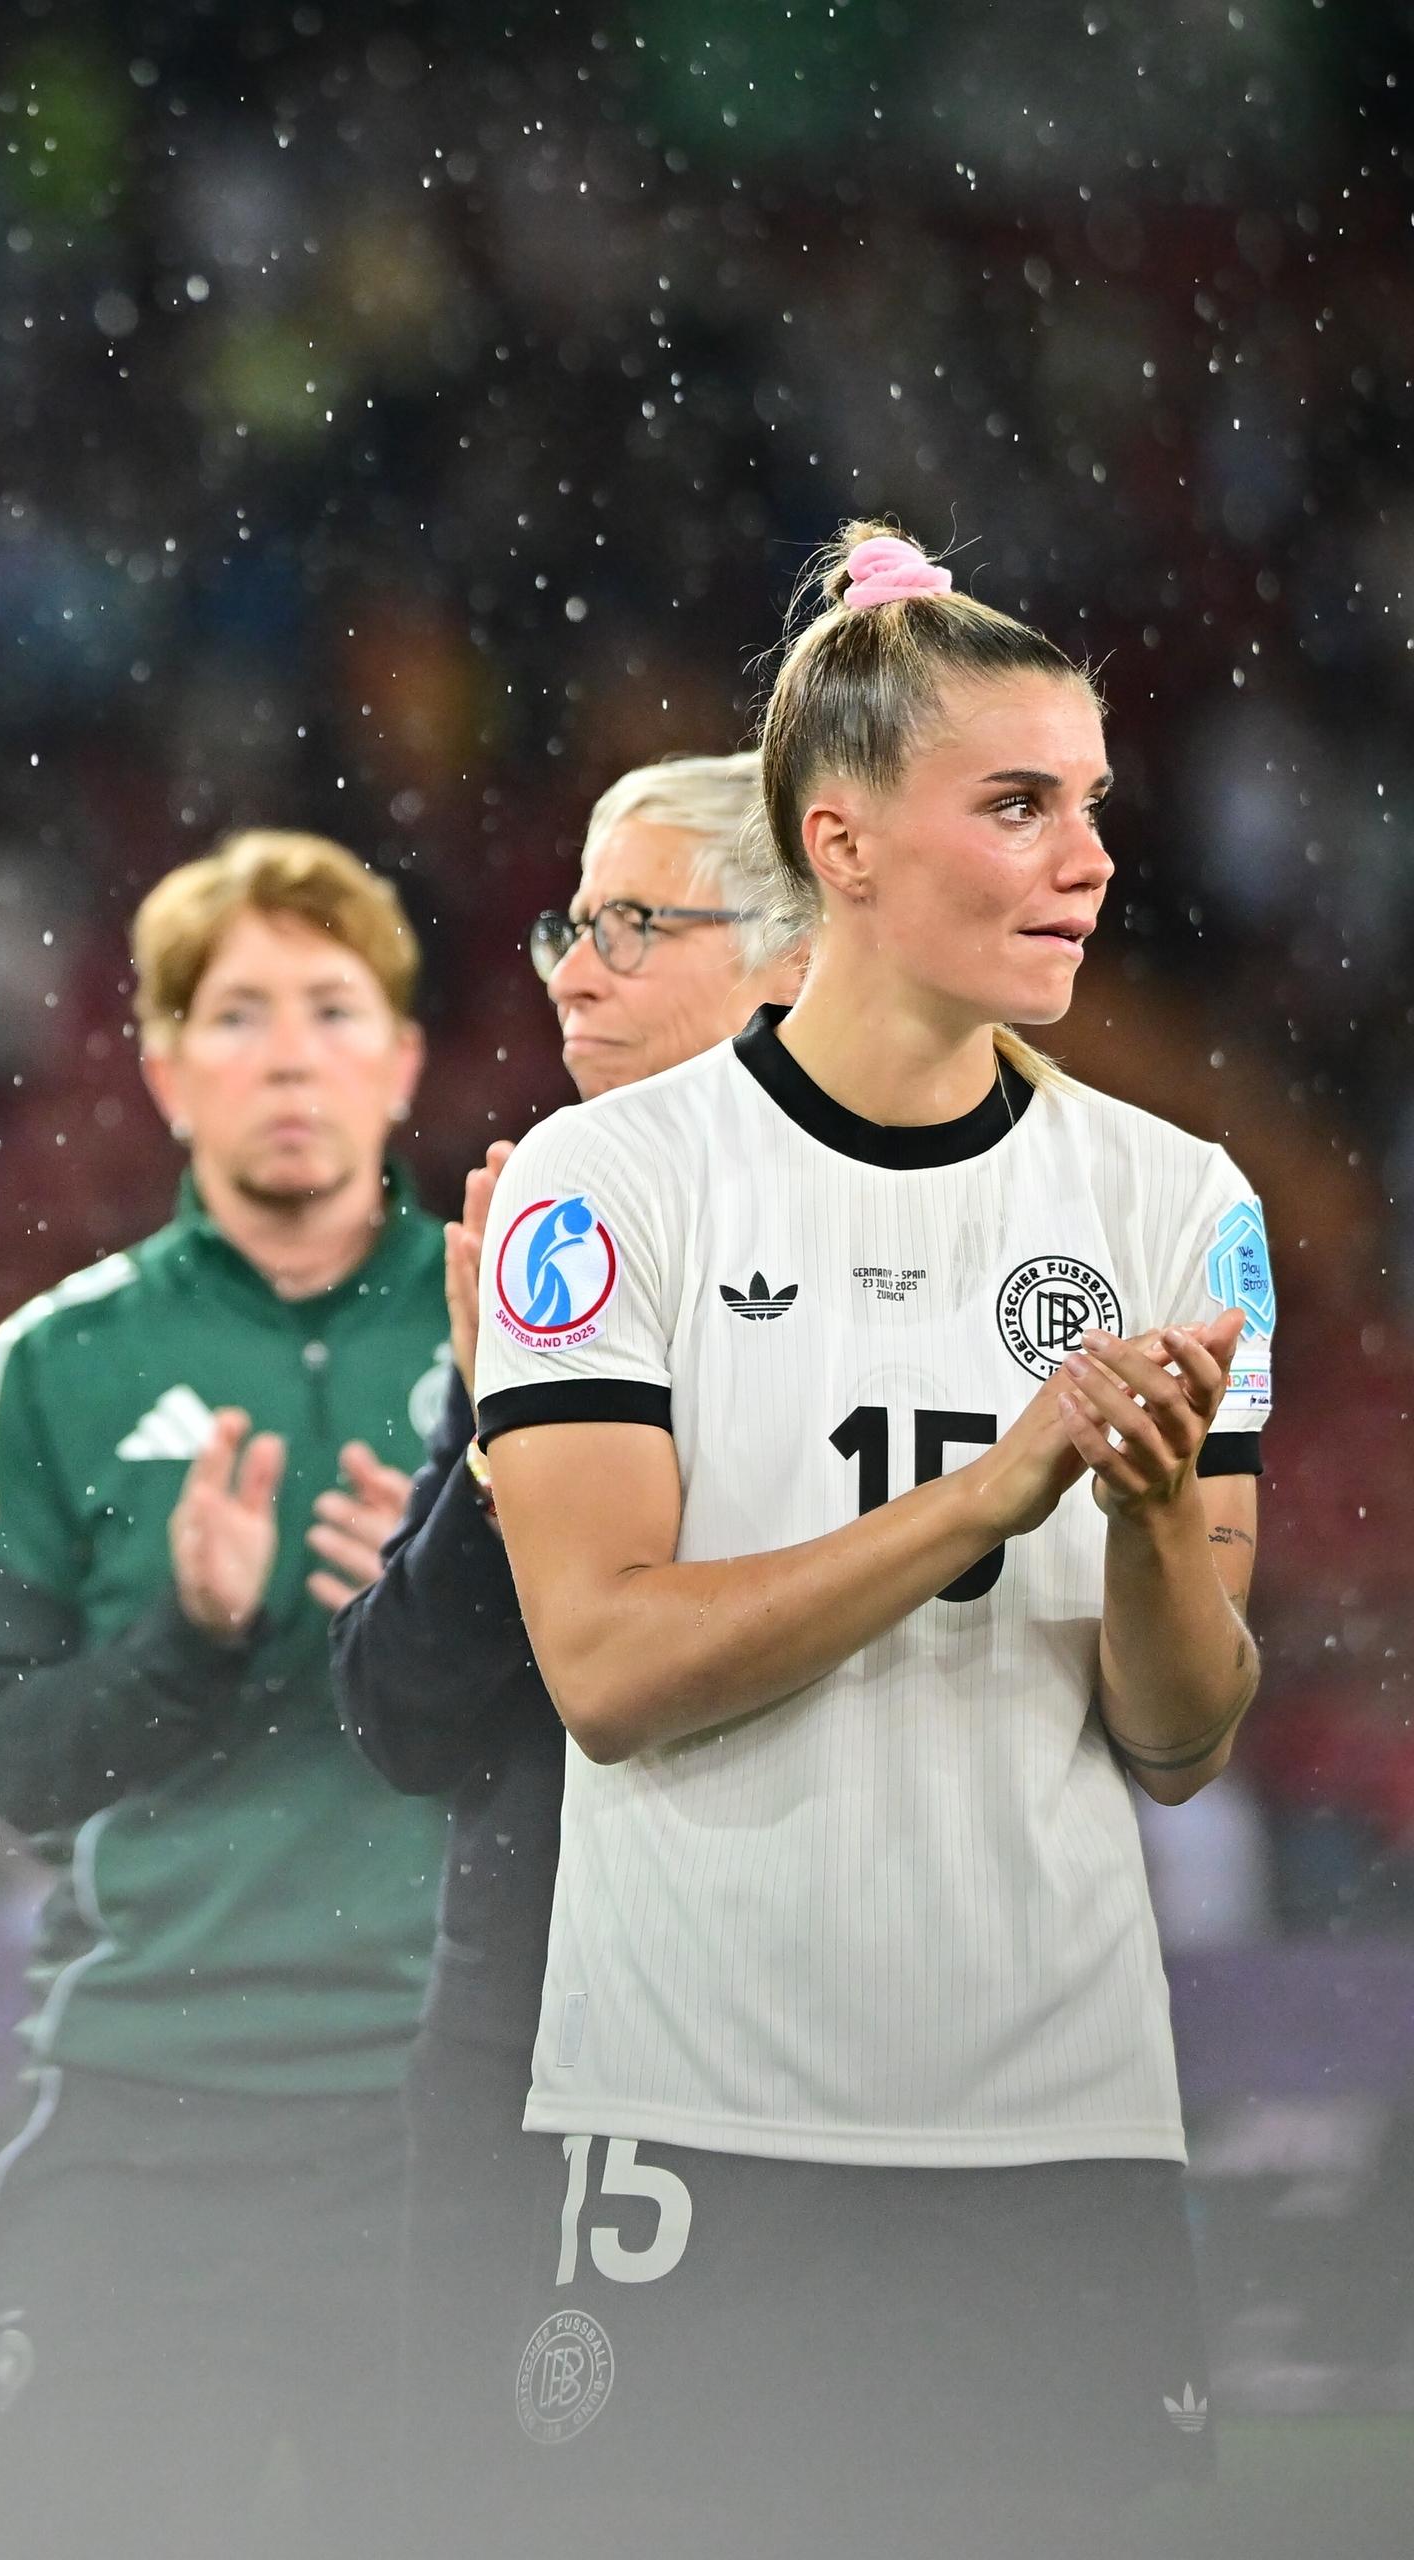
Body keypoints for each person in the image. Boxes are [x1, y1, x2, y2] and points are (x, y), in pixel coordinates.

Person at [472, 528, 1269, 2552]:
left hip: (1057, 2119)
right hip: (694, 2117)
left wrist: (1161, 1518)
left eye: (1092, 802)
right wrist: (988, 1501)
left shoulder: (1178, 1198)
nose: (1086, 855)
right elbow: (611, 1667)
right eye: (1017, 802)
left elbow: (1180, 1737)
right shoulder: (610, 1178)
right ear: (838, 843)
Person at [0, 830, 451, 2551]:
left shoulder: (530, 1331)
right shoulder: (56, 1361)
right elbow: (8, 1758)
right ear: (160, 1067)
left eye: (334, 1007)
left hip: (458, 2102)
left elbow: (637, 1715)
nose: (291, 1052)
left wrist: (458, 1618)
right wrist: (184, 1644)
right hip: (145, 2115)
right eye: (237, 1014)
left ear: (402, 1055)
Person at [328, 753, 805, 2539]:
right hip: (528, 2017)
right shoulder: (546, 1241)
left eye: (630, 926)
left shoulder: (914, 1248)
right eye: (566, 925)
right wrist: (500, 1422)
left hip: (794, 2025)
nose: (569, 970)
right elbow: (403, 1711)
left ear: (797, 960)